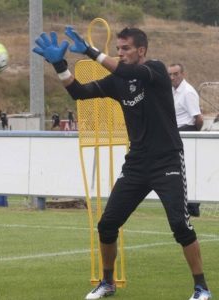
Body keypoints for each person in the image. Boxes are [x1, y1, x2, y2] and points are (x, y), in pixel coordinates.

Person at [33, 28, 212, 300]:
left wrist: (91, 52)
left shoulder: (155, 70)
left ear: (141, 50)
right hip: (137, 164)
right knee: (107, 225)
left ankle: (201, 288)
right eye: (118, 48)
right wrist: (60, 66)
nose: (120, 53)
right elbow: (80, 93)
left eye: (125, 48)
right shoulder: (118, 79)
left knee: (180, 225)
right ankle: (107, 283)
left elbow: (129, 73)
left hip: (167, 161)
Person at [168, 63, 203, 217]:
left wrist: (193, 134)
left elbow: (198, 118)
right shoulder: (172, 91)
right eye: (170, 74)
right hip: (176, 132)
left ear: (183, 74)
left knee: (186, 170)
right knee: (178, 170)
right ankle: (183, 204)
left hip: (186, 131)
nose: (172, 77)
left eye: (176, 74)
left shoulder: (188, 92)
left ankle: (193, 206)